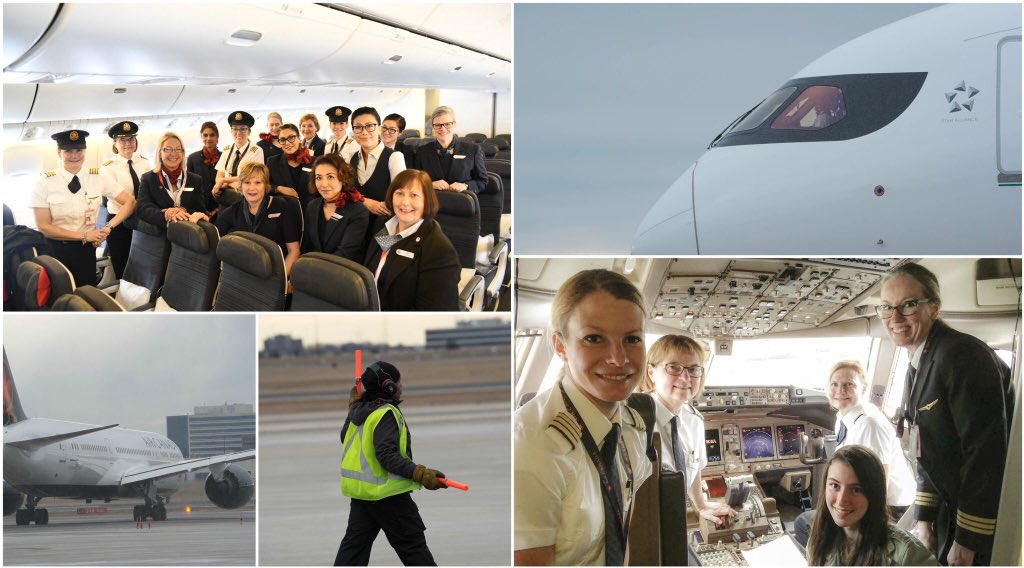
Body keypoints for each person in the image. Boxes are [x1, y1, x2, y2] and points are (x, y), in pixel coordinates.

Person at [514, 269, 653, 566]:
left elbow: (622, 528)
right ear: (561, 346)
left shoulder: (632, 429)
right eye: (594, 338)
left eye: (632, 339)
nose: (618, 358)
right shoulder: (530, 448)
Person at [879, 263, 1012, 566]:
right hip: (949, 508)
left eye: (908, 305)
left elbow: (986, 454)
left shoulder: (961, 355)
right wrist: (924, 519)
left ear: (934, 308)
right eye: (887, 307)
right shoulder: (920, 360)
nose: (895, 318)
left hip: (978, 520)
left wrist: (967, 539)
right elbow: (927, 447)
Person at [334, 361, 446, 566]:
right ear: (389, 386)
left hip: (363, 496)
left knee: (352, 554)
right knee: (414, 551)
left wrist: (351, 411)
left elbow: (345, 437)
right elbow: (386, 456)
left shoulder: (357, 411)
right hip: (389, 496)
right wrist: (420, 474)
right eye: (398, 382)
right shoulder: (385, 413)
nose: (401, 386)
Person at [794, 360, 916, 547]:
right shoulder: (844, 416)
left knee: (804, 523)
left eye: (849, 385)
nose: (840, 390)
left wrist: (865, 531)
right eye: (834, 384)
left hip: (890, 509)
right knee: (816, 514)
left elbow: (879, 484)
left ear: (863, 389)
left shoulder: (868, 424)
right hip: (859, 496)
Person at [639, 335, 737, 528]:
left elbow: (693, 466)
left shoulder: (694, 420)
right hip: (642, 522)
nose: (685, 378)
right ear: (651, 372)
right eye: (674, 368)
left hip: (673, 516)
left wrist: (700, 505)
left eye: (693, 370)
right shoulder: (635, 418)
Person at [30, 129, 136, 286]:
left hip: (85, 251)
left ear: (85, 151)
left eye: (79, 150)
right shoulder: (45, 182)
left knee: (85, 296)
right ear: (59, 152)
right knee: (60, 296)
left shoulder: (97, 176)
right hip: (55, 250)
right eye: (68, 151)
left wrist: (107, 228)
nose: (74, 155)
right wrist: (84, 236)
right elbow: (44, 226)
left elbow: (130, 202)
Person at [806, 445, 938, 566]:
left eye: (856, 489)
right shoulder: (819, 539)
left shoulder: (906, 554)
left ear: (874, 494)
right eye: (835, 486)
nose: (841, 501)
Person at [362, 169, 459, 311]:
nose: (405, 202)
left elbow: (432, 314)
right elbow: (374, 269)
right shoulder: (385, 227)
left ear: (427, 200)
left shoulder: (439, 251)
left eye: (414, 195)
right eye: (399, 193)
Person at [215, 161, 301, 277]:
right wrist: (202, 217)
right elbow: (214, 232)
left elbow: (294, 251)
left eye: (257, 182)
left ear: (265, 185)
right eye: (247, 182)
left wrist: (280, 280)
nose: (252, 188)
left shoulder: (283, 207)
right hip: (243, 270)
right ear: (240, 186)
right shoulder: (235, 208)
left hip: (273, 273)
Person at [100, 120, 151, 278]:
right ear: (115, 143)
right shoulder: (108, 168)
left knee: (143, 265)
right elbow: (120, 199)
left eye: (131, 139)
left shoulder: (144, 162)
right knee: (123, 268)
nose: (127, 143)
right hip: (119, 222)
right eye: (122, 140)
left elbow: (152, 190)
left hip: (142, 220)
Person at [349, 107, 406, 239]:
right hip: (357, 224)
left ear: (379, 128)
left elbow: (402, 197)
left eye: (370, 126)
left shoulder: (394, 157)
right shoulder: (353, 158)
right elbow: (348, 190)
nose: (364, 132)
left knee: (376, 259)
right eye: (358, 127)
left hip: (386, 225)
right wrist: (364, 201)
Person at [136, 132, 210, 232]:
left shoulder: (195, 180)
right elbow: (143, 209)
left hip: (187, 235)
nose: (174, 153)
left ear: (183, 153)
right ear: (160, 153)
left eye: (178, 149)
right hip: (159, 237)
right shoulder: (148, 178)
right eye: (168, 149)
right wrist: (166, 214)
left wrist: (183, 210)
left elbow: (200, 210)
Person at [303, 154, 369, 261]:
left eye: (330, 177)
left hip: (343, 271)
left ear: (343, 178)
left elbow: (345, 253)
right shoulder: (312, 206)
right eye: (319, 178)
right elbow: (308, 246)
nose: (324, 184)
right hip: (313, 267)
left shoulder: (358, 211)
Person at [414, 106, 488, 194]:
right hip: (431, 203)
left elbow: (483, 181)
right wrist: (429, 185)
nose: (443, 128)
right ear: (433, 127)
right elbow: (414, 181)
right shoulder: (422, 151)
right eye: (438, 125)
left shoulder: (473, 150)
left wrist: (466, 185)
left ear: (454, 124)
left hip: (462, 204)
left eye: (447, 124)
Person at [212, 111, 264, 201]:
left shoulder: (257, 151)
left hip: (245, 197)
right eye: (235, 129)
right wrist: (231, 184)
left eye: (243, 129)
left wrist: (224, 181)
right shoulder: (227, 150)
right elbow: (219, 176)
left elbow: (250, 177)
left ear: (249, 132)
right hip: (226, 196)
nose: (238, 132)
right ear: (231, 131)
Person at [266, 123, 314, 208]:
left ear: (299, 138)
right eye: (282, 139)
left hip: (310, 213)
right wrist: (279, 188)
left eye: (291, 138)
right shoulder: (273, 162)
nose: (287, 143)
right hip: (283, 212)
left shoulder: (314, 162)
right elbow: (264, 186)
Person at [185, 121, 221, 214]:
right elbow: (189, 186)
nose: (208, 138)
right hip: (198, 208)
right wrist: (200, 210)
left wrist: (218, 209)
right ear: (201, 137)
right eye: (205, 135)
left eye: (212, 135)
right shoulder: (193, 158)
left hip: (219, 207)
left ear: (217, 137)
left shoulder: (224, 157)